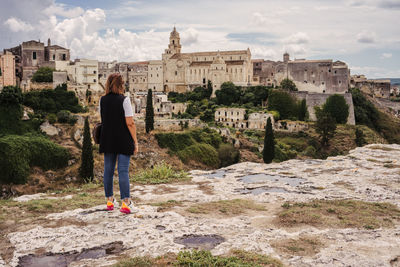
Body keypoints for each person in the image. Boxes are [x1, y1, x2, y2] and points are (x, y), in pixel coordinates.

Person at [99, 73, 138, 214]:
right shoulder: (124, 100)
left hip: (107, 139)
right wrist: (135, 141)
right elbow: (130, 122)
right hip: (123, 139)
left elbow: (104, 119)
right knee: (123, 171)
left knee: (108, 170)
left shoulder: (102, 100)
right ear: (121, 85)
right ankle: (126, 203)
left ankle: (110, 201)